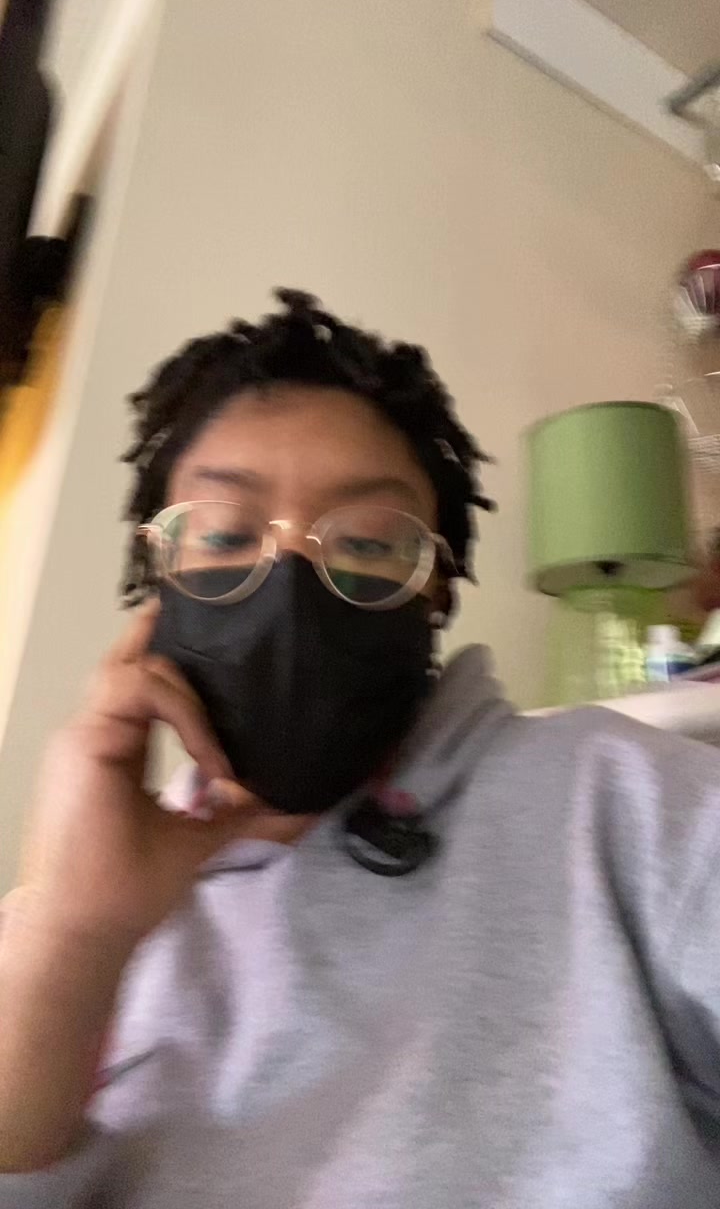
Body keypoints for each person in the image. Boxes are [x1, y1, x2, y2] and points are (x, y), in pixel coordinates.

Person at [0, 289, 719, 1209]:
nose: (291, 582)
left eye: (372, 544)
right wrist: (74, 938)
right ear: (156, 581)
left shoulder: (622, 803)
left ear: (437, 592)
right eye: (223, 535)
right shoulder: (65, 924)